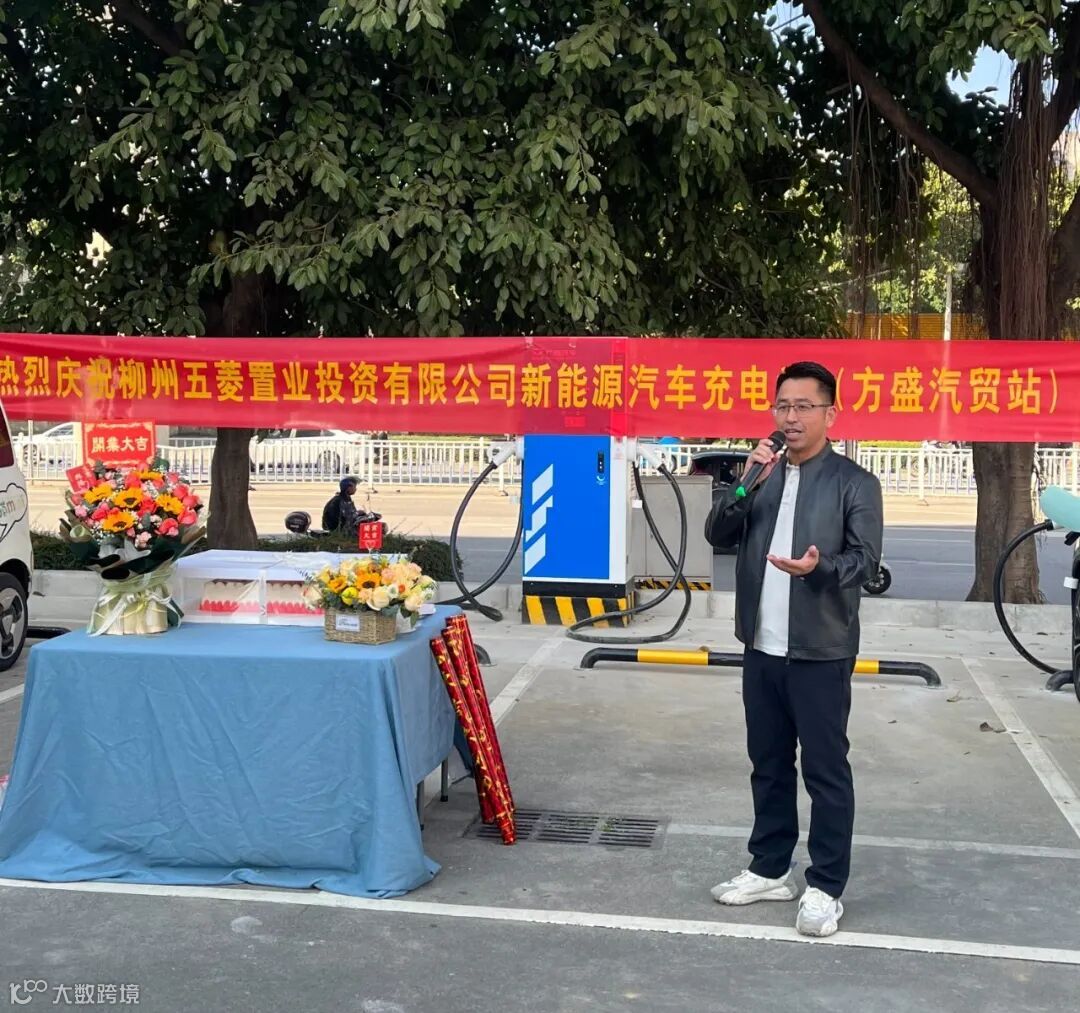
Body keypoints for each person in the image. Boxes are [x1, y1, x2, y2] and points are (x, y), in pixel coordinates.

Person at [704, 361, 883, 938]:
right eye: (783, 406)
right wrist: (745, 480)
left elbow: (866, 562)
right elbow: (716, 532)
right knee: (769, 763)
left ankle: (826, 885)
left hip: (821, 649)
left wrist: (819, 568)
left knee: (826, 772)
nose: (791, 417)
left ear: (831, 414)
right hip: (762, 645)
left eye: (804, 406)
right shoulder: (763, 474)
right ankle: (769, 868)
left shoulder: (854, 483)